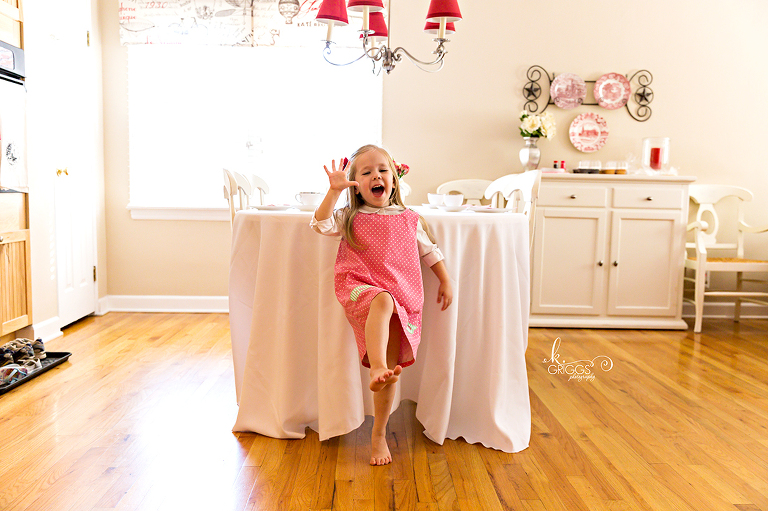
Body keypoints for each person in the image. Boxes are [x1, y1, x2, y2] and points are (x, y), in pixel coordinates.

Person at [310, 144, 453, 466]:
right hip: (358, 287)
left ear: (394, 179)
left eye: (383, 170)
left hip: (400, 298)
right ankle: (376, 366)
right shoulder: (349, 216)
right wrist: (332, 194)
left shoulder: (409, 219)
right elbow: (319, 224)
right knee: (381, 299)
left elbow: (430, 252)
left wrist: (445, 280)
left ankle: (379, 433)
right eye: (366, 172)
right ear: (356, 185)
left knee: (389, 371)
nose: (376, 175)